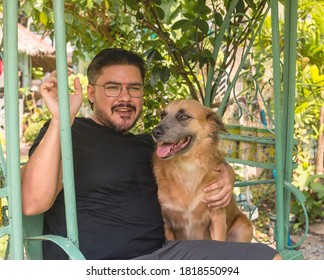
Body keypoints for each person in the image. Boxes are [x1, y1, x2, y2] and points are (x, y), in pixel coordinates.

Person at [21, 48, 281, 260]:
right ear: (91, 93)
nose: (125, 98)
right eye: (113, 88)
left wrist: (227, 174)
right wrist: (60, 119)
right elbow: (33, 201)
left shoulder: (152, 146)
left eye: (134, 88)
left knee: (268, 260)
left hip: (165, 254)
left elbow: (202, 155)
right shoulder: (68, 132)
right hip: (102, 262)